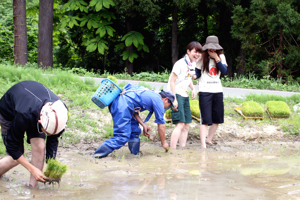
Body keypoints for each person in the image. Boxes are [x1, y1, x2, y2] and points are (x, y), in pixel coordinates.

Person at [0, 81, 68, 188]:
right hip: (10, 112)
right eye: (46, 132)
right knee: (15, 158)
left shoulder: (59, 112)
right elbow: (13, 148)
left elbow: (53, 139)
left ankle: (33, 189)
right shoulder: (23, 115)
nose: (46, 135)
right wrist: (32, 169)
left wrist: (51, 163)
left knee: (40, 148)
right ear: (40, 122)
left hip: (35, 107)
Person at [93, 84, 175, 158]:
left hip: (124, 105)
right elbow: (161, 125)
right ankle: (98, 154)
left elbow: (134, 110)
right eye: (169, 105)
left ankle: (134, 155)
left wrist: (143, 124)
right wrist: (163, 143)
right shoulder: (158, 101)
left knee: (134, 131)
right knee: (122, 136)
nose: (167, 107)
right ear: (166, 99)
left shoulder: (151, 94)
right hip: (122, 106)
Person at [191, 35, 227, 148]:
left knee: (217, 118)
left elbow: (224, 71)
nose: (212, 50)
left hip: (217, 90)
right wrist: (194, 76)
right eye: (210, 48)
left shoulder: (221, 57)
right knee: (205, 119)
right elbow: (197, 72)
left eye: (214, 48)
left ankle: (209, 140)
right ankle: (203, 145)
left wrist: (216, 58)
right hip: (205, 90)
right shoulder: (202, 57)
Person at [167, 41, 202, 149]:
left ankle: (181, 149)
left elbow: (188, 77)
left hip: (185, 95)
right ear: (188, 51)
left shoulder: (192, 64)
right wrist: (174, 99)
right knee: (180, 124)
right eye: (195, 52)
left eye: (199, 52)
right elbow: (172, 81)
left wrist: (193, 89)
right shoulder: (180, 64)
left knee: (186, 125)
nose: (197, 54)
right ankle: (172, 150)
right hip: (177, 94)